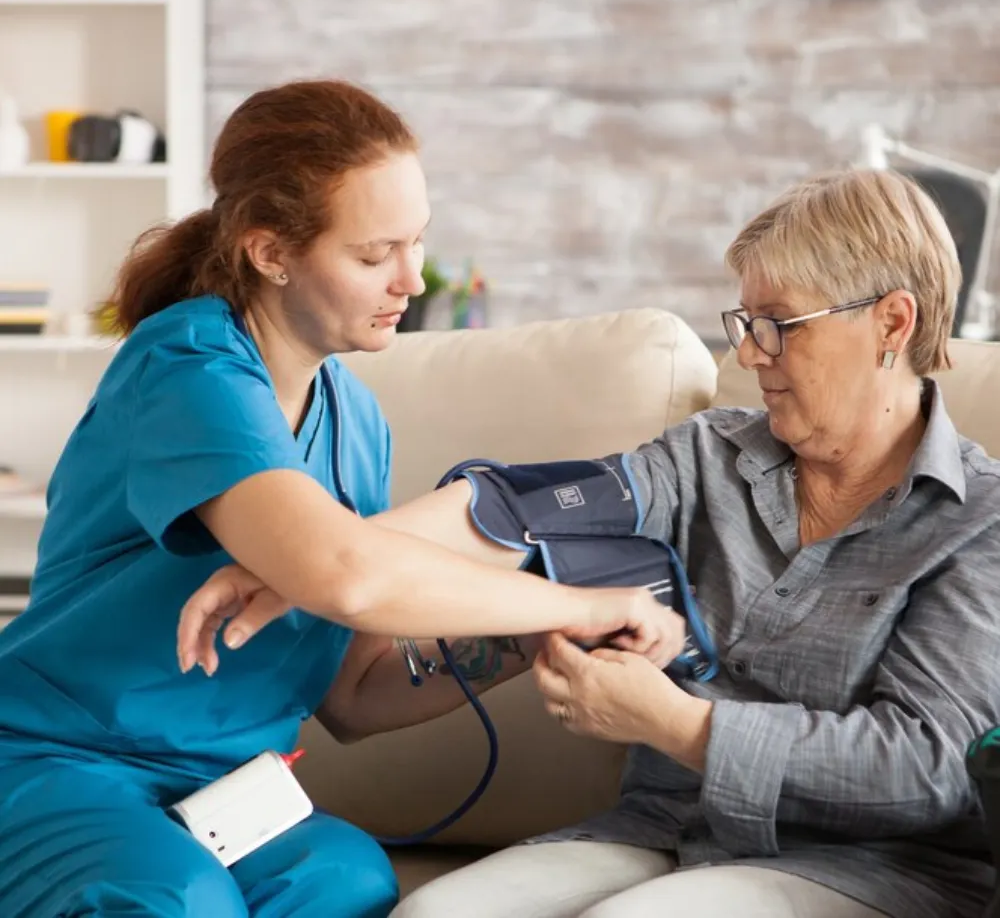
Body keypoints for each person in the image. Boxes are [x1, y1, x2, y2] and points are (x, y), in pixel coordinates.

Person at [182, 168, 1000, 918]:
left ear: (893, 321)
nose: (750, 354)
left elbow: (930, 768)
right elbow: (512, 512)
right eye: (746, 322)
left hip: (868, 867)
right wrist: (310, 566)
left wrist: (679, 725)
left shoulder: (979, 523)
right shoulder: (710, 454)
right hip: (661, 829)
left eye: (780, 325)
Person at [0, 80, 683, 918]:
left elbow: (354, 694)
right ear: (271, 252)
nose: (411, 277)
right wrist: (572, 600)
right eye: (373, 254)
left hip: (223, 792)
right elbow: (343, 574)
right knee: (174, 901)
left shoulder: (354, 417)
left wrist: (532, 635)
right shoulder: (187, 369)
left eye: (417, 243)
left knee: (345, 877)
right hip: (63, 762)